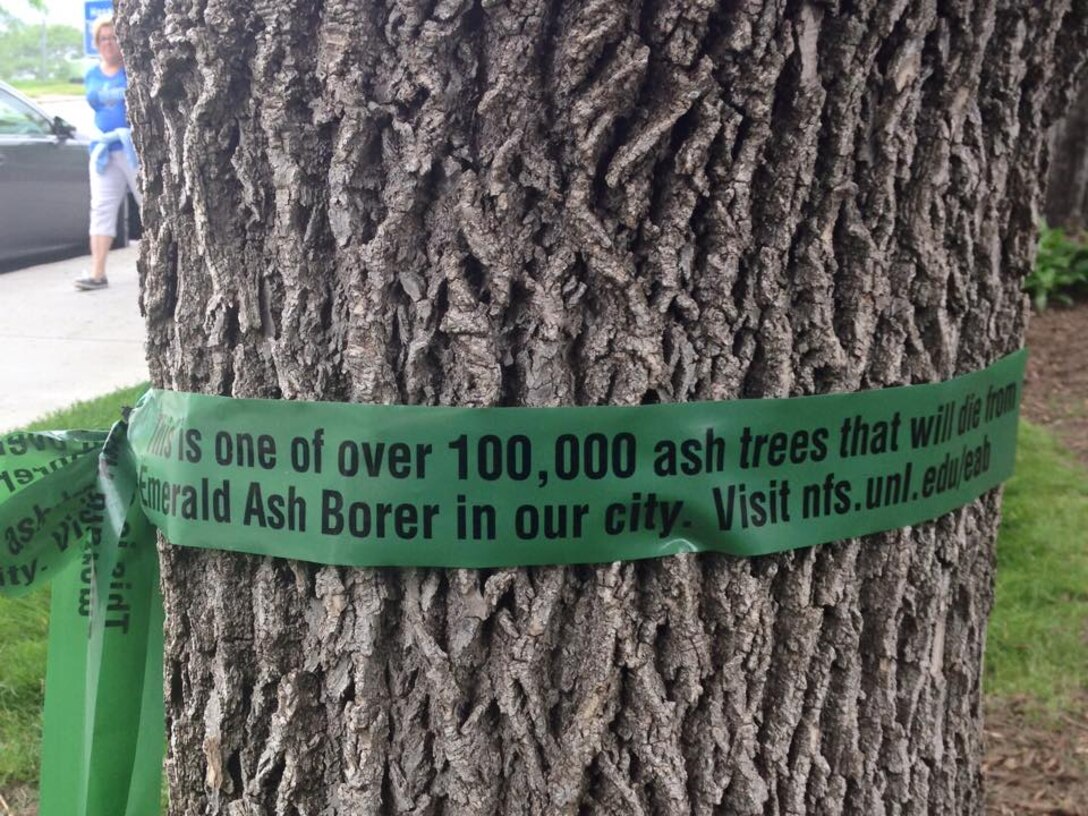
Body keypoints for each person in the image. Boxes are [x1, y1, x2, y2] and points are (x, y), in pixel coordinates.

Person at [74, 15, 141, 292]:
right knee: (101, 207)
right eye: (103, 38)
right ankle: (97, 272)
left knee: (148, 205)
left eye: (113, 37)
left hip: (133, 148)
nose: (109, 43)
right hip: (104, 149)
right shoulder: (92, 74)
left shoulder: (133, 70)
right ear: (96, 43)